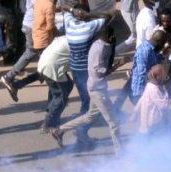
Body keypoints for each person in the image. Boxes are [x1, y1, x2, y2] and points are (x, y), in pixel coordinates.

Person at [52, 27, 122, 155]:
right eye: (112, 35)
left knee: (90, 117)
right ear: (106, 35)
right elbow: (100, 71)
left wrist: (113, 46)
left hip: (97, 88)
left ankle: (59, 130)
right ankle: (120, 152)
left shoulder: (104, 45)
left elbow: (108, 63)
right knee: (113, 122)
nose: (113, 38)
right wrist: (119, 65)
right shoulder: (99, 49)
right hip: (98, 90)